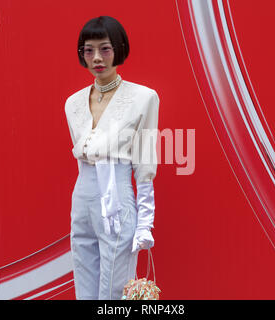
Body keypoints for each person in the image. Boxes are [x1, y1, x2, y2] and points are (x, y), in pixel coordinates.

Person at [64, 16, 160, 300]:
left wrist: (145, 223)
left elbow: (144, 164)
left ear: (119, 49)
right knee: (84, 278)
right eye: (89, 50)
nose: (96, 58)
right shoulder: (72, 102)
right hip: (82, 196)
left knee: (114, 289)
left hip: (117, 196)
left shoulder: (144, 97)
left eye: (105, 49)